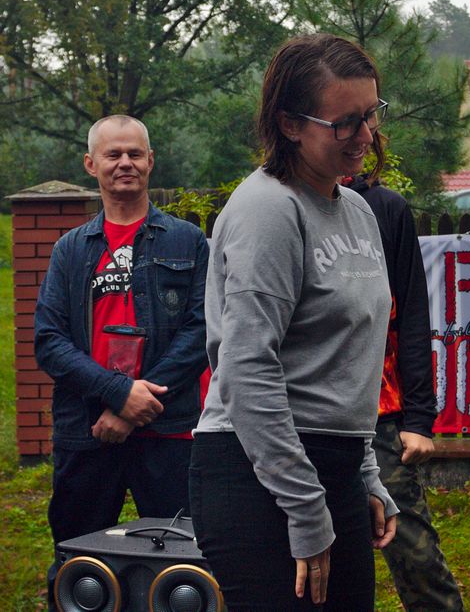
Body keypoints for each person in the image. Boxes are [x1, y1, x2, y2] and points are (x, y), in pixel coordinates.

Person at [190, 33, 398, 611]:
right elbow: (246, 367)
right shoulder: (268, 209)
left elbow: (344, 365)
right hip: (257, 473)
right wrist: (305, 507)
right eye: (345, 122)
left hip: (332, 468)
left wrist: (364, 473)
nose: (365, 135)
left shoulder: (357, 211)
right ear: (289, 124)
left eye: (371, 114)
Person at [34, 115, 208, 605]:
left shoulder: (187, 240)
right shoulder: (70, 250)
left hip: (167, 429)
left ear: (151, 161)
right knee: (78, 570)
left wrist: (136, 404)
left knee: (184, 570)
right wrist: (116, 394)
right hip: (87, 429)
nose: (125, 163)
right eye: (113, 154)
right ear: (91, 165)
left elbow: (202, 331)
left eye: (134, 153)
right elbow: (49, 340)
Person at [346, 174, 464, 610]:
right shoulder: (282, 202)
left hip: (381, 416)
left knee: (417, 557)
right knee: (318, 559)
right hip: (304, 418)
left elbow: (411, 315)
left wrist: (418, 419)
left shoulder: (386, 208)